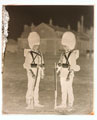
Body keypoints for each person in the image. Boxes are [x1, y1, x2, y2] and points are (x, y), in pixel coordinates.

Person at [56, 31, 80, 111]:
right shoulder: (62, 54)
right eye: (64, 46)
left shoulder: (72, 55)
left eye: (66, 46)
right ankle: (63, 104)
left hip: (69, 74)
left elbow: (72, 66)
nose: (65, 48)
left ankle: (70, 105)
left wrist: (69, 75)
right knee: (63, 89)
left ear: (70, 45)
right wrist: (57, 68)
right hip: (62, 74)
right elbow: (60, 63)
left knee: (69, 89)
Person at [23, 32, 45, 109]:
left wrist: (42, 72)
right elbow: (26, 65)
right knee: (30, 87)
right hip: (31, 72)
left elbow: (42, 63)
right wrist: (31, 72)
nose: (36, 46)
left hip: (38, 72)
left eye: (37, 45)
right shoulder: (29, 54)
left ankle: (36, 102)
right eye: (35, 45)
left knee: (36, 87)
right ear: (32, 45)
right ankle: (29, 103)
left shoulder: (40, 53)